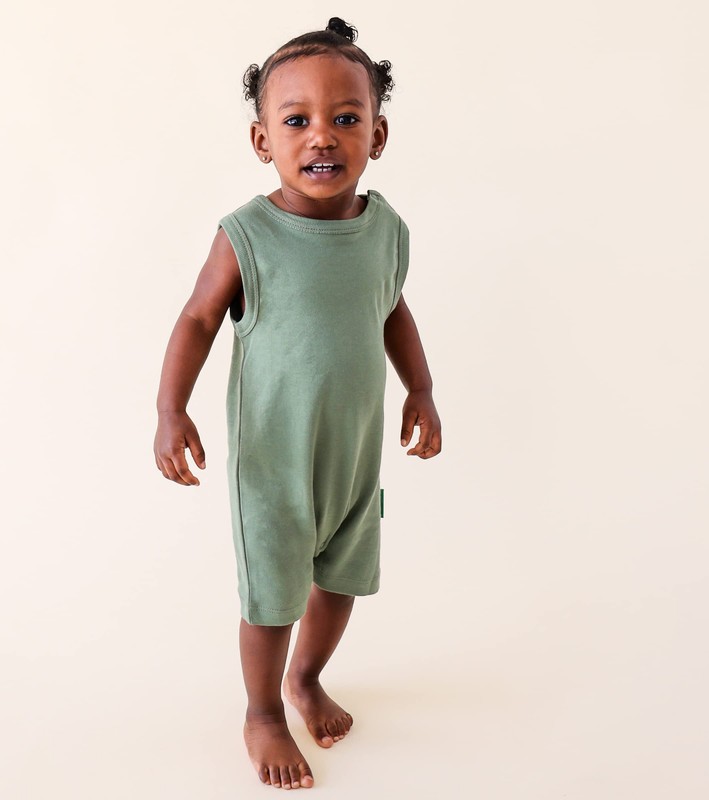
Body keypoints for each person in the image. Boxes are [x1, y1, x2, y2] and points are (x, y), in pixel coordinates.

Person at [153, 16, 442, 790]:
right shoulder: (248, 235)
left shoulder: (385, 230)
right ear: (262, 140)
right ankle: (262, 713)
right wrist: (171, 411)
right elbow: (197, 319)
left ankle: (305, 679)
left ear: (378, 135)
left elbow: (392, 309)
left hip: (353, 455)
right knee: (274, 594)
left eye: (346, 118)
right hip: (274, 463)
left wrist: (421, 389)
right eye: (297, 120)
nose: (322, 136)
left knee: (342, 578)